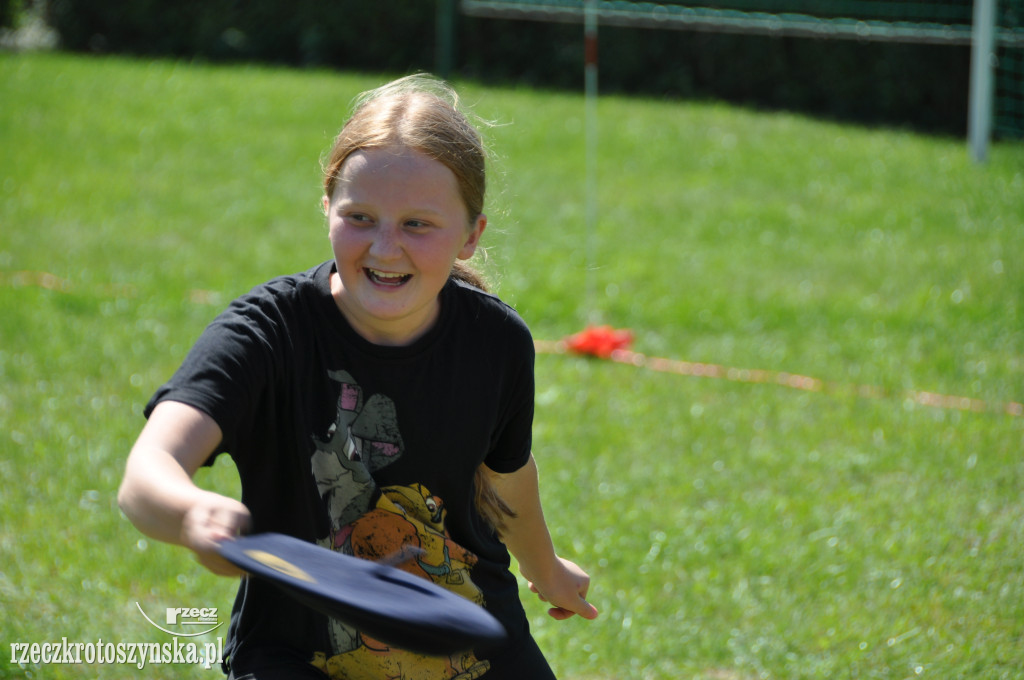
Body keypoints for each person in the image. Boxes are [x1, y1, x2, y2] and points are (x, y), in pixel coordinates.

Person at [117, 73, 599, 680]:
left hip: (468, 638)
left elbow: (504, 479)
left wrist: (545, 569)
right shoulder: (268, 333)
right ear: (327, 210)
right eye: (361, 217)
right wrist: (190, 514)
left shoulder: (497, 342)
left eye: (418, 224)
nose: (384, 248)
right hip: (299, 652)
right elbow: (145, 472)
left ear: (471, 236)